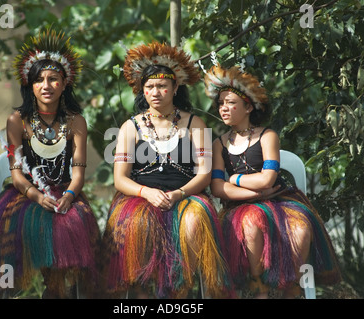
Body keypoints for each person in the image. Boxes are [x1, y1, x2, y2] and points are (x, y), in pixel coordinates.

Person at [0, 29, 101, 299]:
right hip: (25, 196)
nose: (46, 85)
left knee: (73, 222)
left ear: (65, 83)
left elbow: (78, 171)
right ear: (30, 85)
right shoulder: (18, 121)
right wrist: (37, 195)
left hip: (66, 193)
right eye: (39, 80)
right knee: (17, 232)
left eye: (53, 79)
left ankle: (57, 290)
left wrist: (70, 196)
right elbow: (16, 175)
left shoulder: (76, 122)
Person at [101, 42, 229, 298]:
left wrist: (179, 194)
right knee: (140, 224)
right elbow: (120, 179)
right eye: (149, 87)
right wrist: (146, 193)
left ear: (175, 87)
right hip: (140, 198)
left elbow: (203, 174)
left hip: (186, 195)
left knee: (194, 222)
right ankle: (143, 294)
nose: (155, 92)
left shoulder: (195, 124)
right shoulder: (130, 126)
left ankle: (180, 291)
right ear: (142, 91)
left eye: (162, 86)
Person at [204, 65, 341, 298]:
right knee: (252, 224)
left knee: (300, 229)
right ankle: (261, 290)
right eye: (221, 104)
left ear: (248, 107)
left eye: (231, 103)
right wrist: (254, 195)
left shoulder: (268, 136)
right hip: (241, 206)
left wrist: (235, 178)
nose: (224, 108)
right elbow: (218, 188)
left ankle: (293, 289)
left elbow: (268, 179)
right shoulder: (219, 144)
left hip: (280, 201)